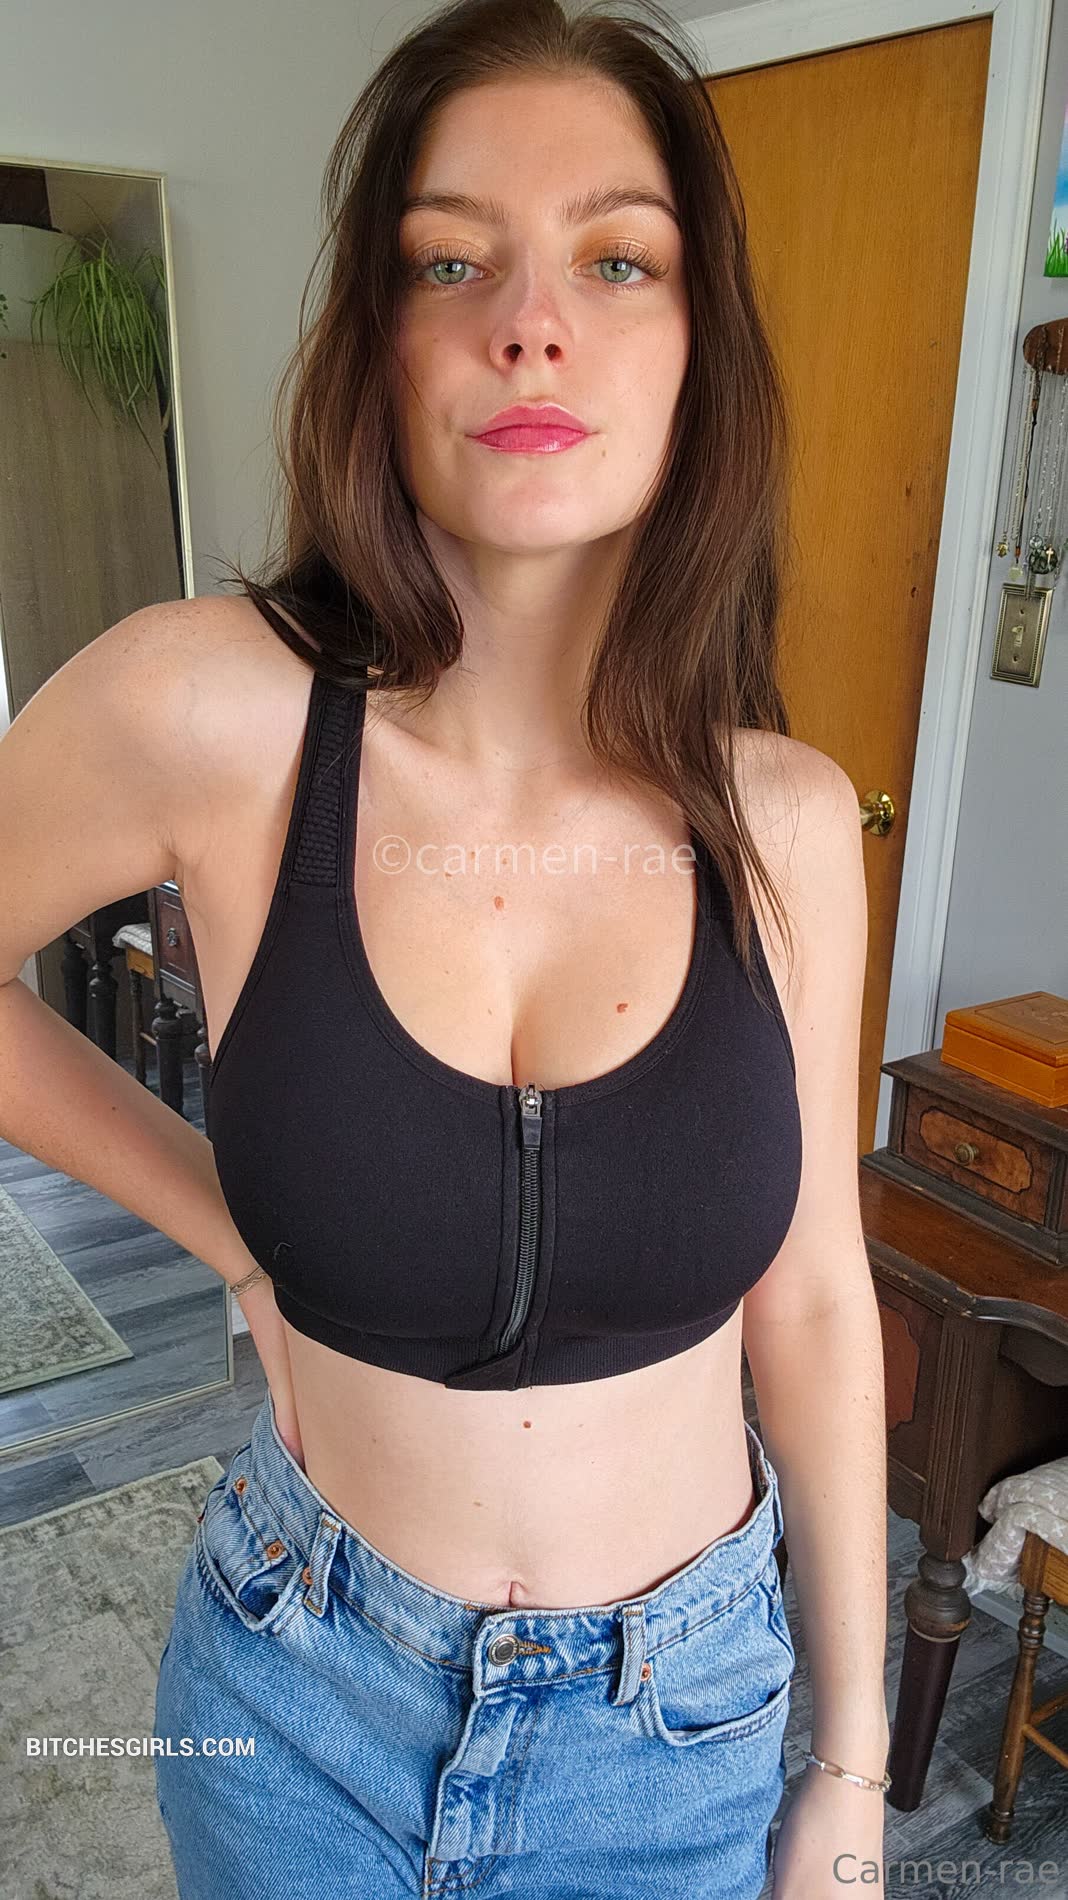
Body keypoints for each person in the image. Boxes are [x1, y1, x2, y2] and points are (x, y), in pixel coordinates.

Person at [0, 0, 889, 1892]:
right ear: (377, 342)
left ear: (700, 345)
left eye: (616, 258)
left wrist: (853, 1770)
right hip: (295, 1699)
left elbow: (813, 1304)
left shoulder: (792, 824)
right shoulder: (206, 711)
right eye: (451, 260)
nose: (530, 323)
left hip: (681, 1734)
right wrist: (231, 1230)